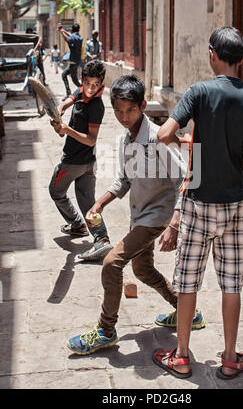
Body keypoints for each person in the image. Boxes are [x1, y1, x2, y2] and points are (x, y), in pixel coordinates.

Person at [152, 27, 243, 380]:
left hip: (198, 200)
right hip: (234, 203)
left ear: (212, 55)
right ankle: (231, 357)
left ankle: (182, 355)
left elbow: (162, 133)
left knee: (188, 281)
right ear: (242, 59)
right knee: (231, 283)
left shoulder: (200, 92)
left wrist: (188, 142)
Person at [67, 75, 205, 355]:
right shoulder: (124, 139)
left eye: (130, 110)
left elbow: (187, 177)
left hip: (158, 218)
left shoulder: (158, 138)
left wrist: (175, 224)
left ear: (142, 106)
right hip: (139, 215)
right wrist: (100, 203)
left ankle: (105, 330)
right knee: (142, 270)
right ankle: (186, 311)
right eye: (118, 110)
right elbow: (124, 180)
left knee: (111, 263)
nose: (124, 116)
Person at [49, 59, 113, 260]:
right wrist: (58, 111)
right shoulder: (80, 93)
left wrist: (66, 129)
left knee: (56, 191)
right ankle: (101, 239)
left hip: (73, 162)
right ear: (82, 80)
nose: (91, 89)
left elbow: (91, 139)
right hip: (87, 164)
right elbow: (68, 100)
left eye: (96, 85)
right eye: (87, 83)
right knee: (87, 203)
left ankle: (77, 224)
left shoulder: (96, 106)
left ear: (101, 85)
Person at [58, 22, 83, 100]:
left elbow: (68, 39)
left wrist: (62, 33)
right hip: (77, 60)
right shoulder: (80, 37)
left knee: (74, 79)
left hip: (73, 60)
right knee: (65, 75)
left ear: (72, 29)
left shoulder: (72, 37)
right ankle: (70, 92)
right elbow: (71, 36)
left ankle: (83, 91)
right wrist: (64, 31)